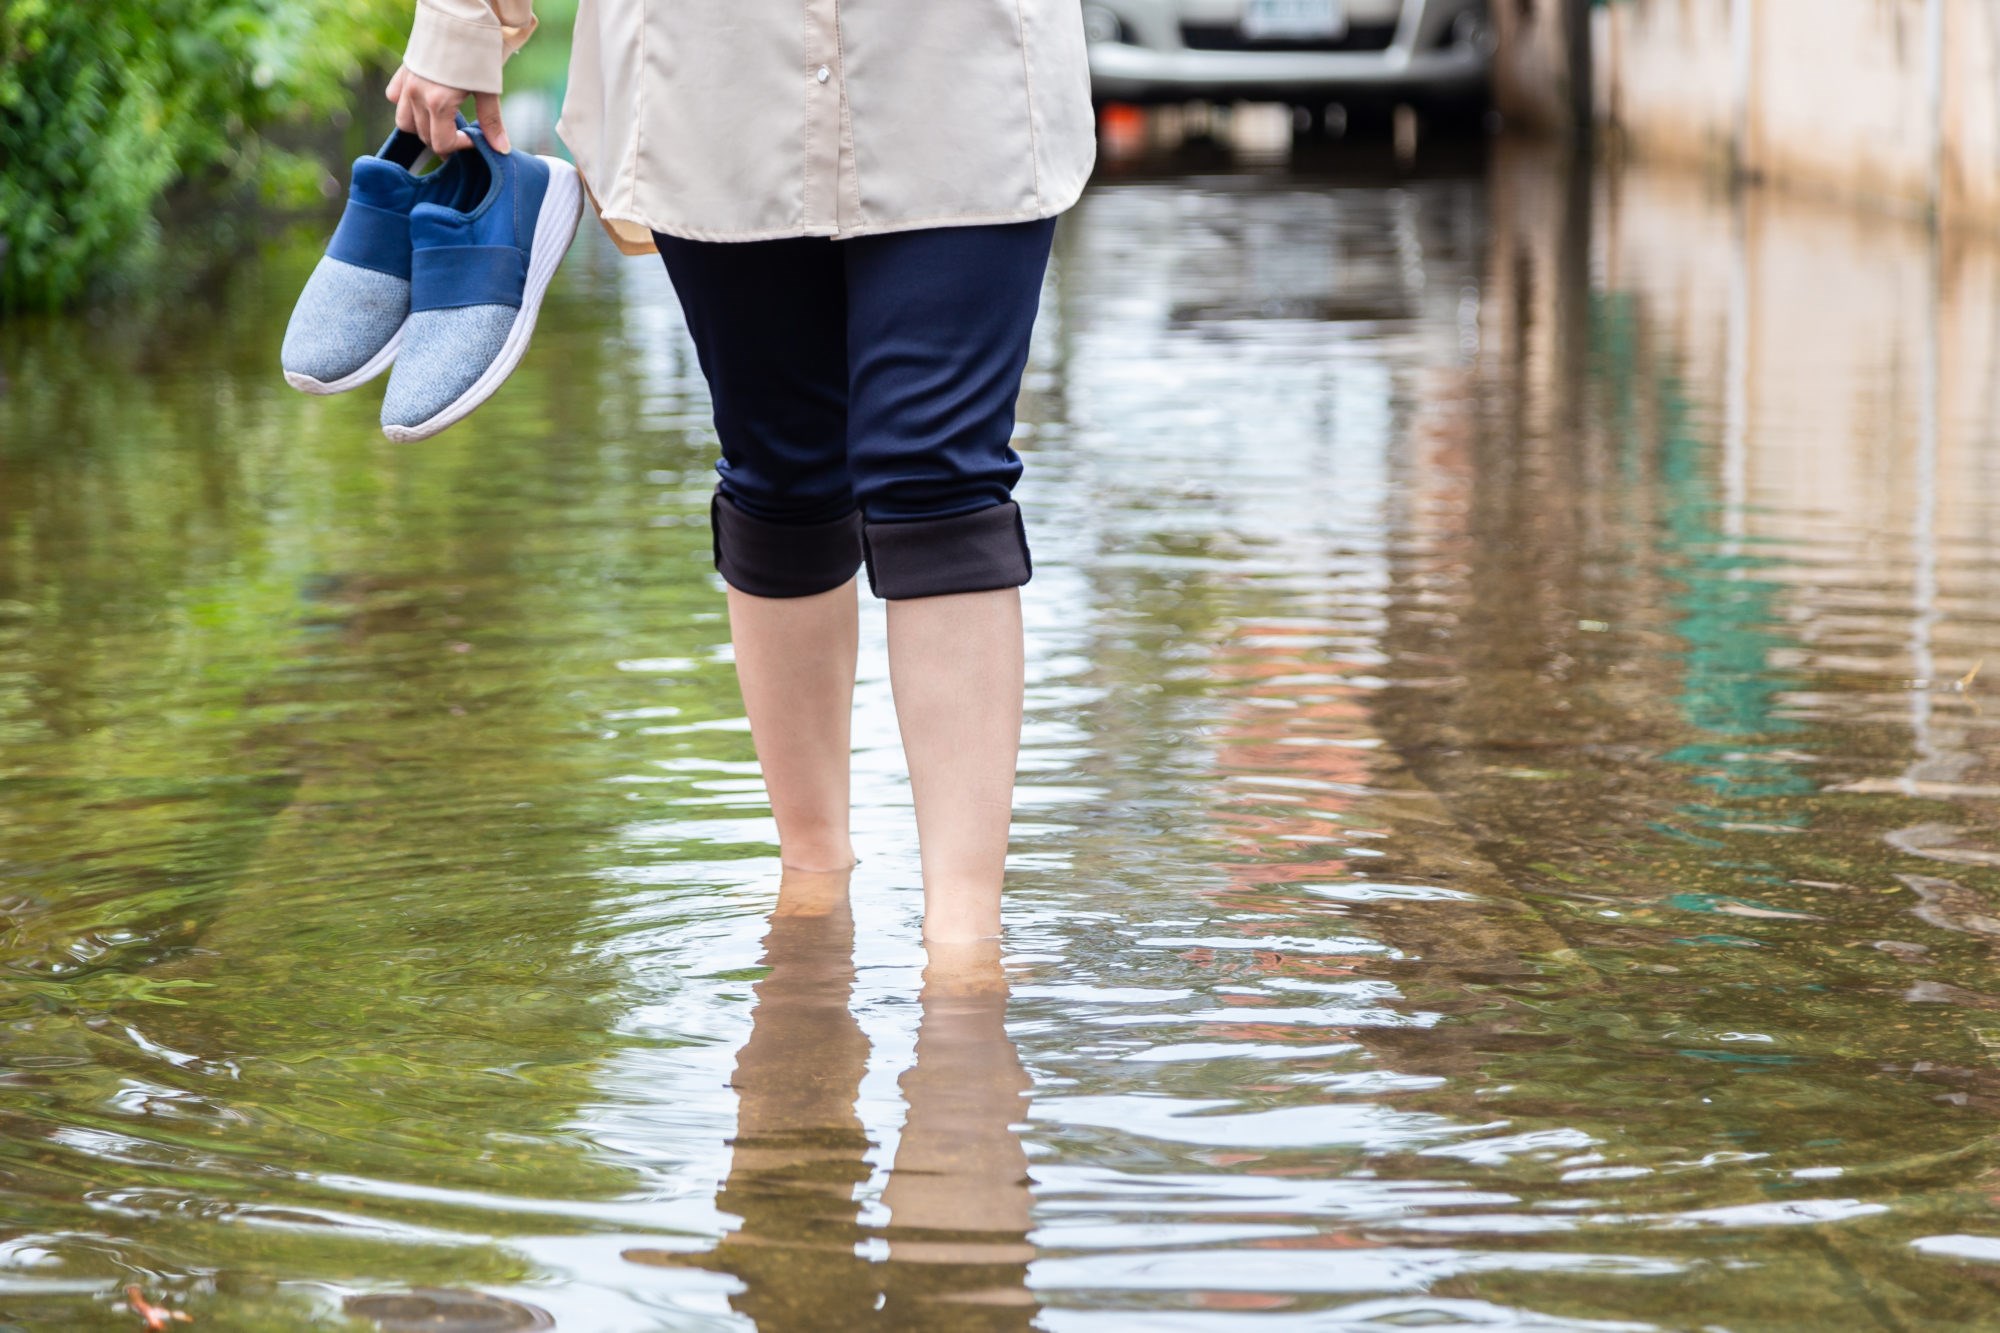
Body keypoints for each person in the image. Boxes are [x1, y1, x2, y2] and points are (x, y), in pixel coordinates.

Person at [387, 0, 1096, 941]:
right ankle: (811, 877)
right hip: (712, 67)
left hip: (957, 59)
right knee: (780, 469)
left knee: (940, 473)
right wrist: (463, 23)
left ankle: (965, 944)